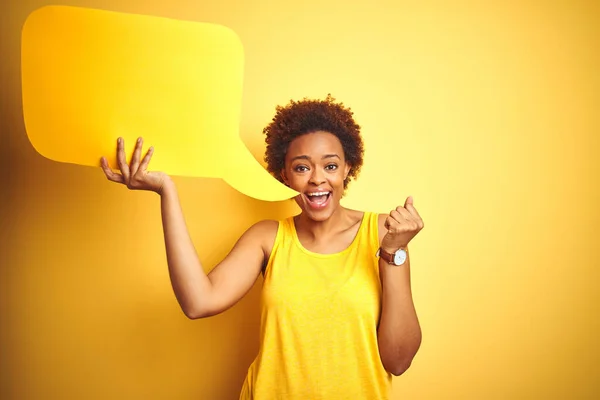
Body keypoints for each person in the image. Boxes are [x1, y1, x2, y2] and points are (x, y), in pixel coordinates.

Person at [100, 94, 424, 399]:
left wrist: (393, 254)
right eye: (301, 167)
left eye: (330, 165)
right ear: (285, 175)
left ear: (347, 169)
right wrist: (166, 192)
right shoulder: (268, 238)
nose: (316, 179)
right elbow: (198, 302)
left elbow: (398, 361)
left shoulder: (385, 232)